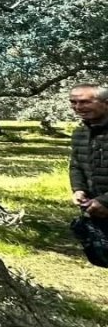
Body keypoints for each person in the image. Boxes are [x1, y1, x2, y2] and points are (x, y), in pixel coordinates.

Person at [68, 84, 108, 267]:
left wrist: (105, 201)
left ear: (105, 103)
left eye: (84, 102)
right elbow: (76, 165)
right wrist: (79, 189)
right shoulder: (80, 134)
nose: (78, 107)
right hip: (98, 211)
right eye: (73, 102)